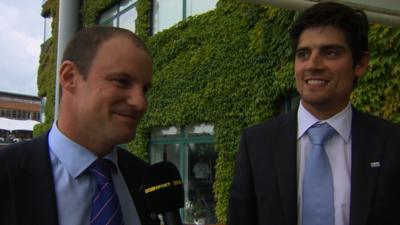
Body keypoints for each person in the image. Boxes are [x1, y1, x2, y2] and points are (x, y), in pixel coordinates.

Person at [227, 2, 400, 225]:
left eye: (331, 52)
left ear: (360, 64)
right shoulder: (257, 144)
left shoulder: (392, 144)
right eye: (303, 54)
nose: (313, 64)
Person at [0, 26, 159, 225]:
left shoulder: (145, 178)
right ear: (69, 77)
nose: (140, 102)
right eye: (121, 81)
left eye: (144, 89)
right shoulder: (6, 173)